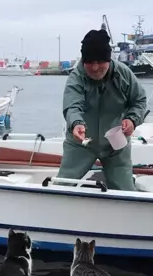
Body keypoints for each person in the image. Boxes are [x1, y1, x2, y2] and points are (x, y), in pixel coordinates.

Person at [59, 29, 147, 191]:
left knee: (126, 190)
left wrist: (132, 119)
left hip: (116, 143)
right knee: (62, 186)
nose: (94, 67)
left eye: (100, 61)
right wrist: (76, 123)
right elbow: (73, 105)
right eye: (89, 62)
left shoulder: (124, 74)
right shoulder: (76, 77)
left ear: (109, 59)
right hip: (81, 142)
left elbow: (139, 100)